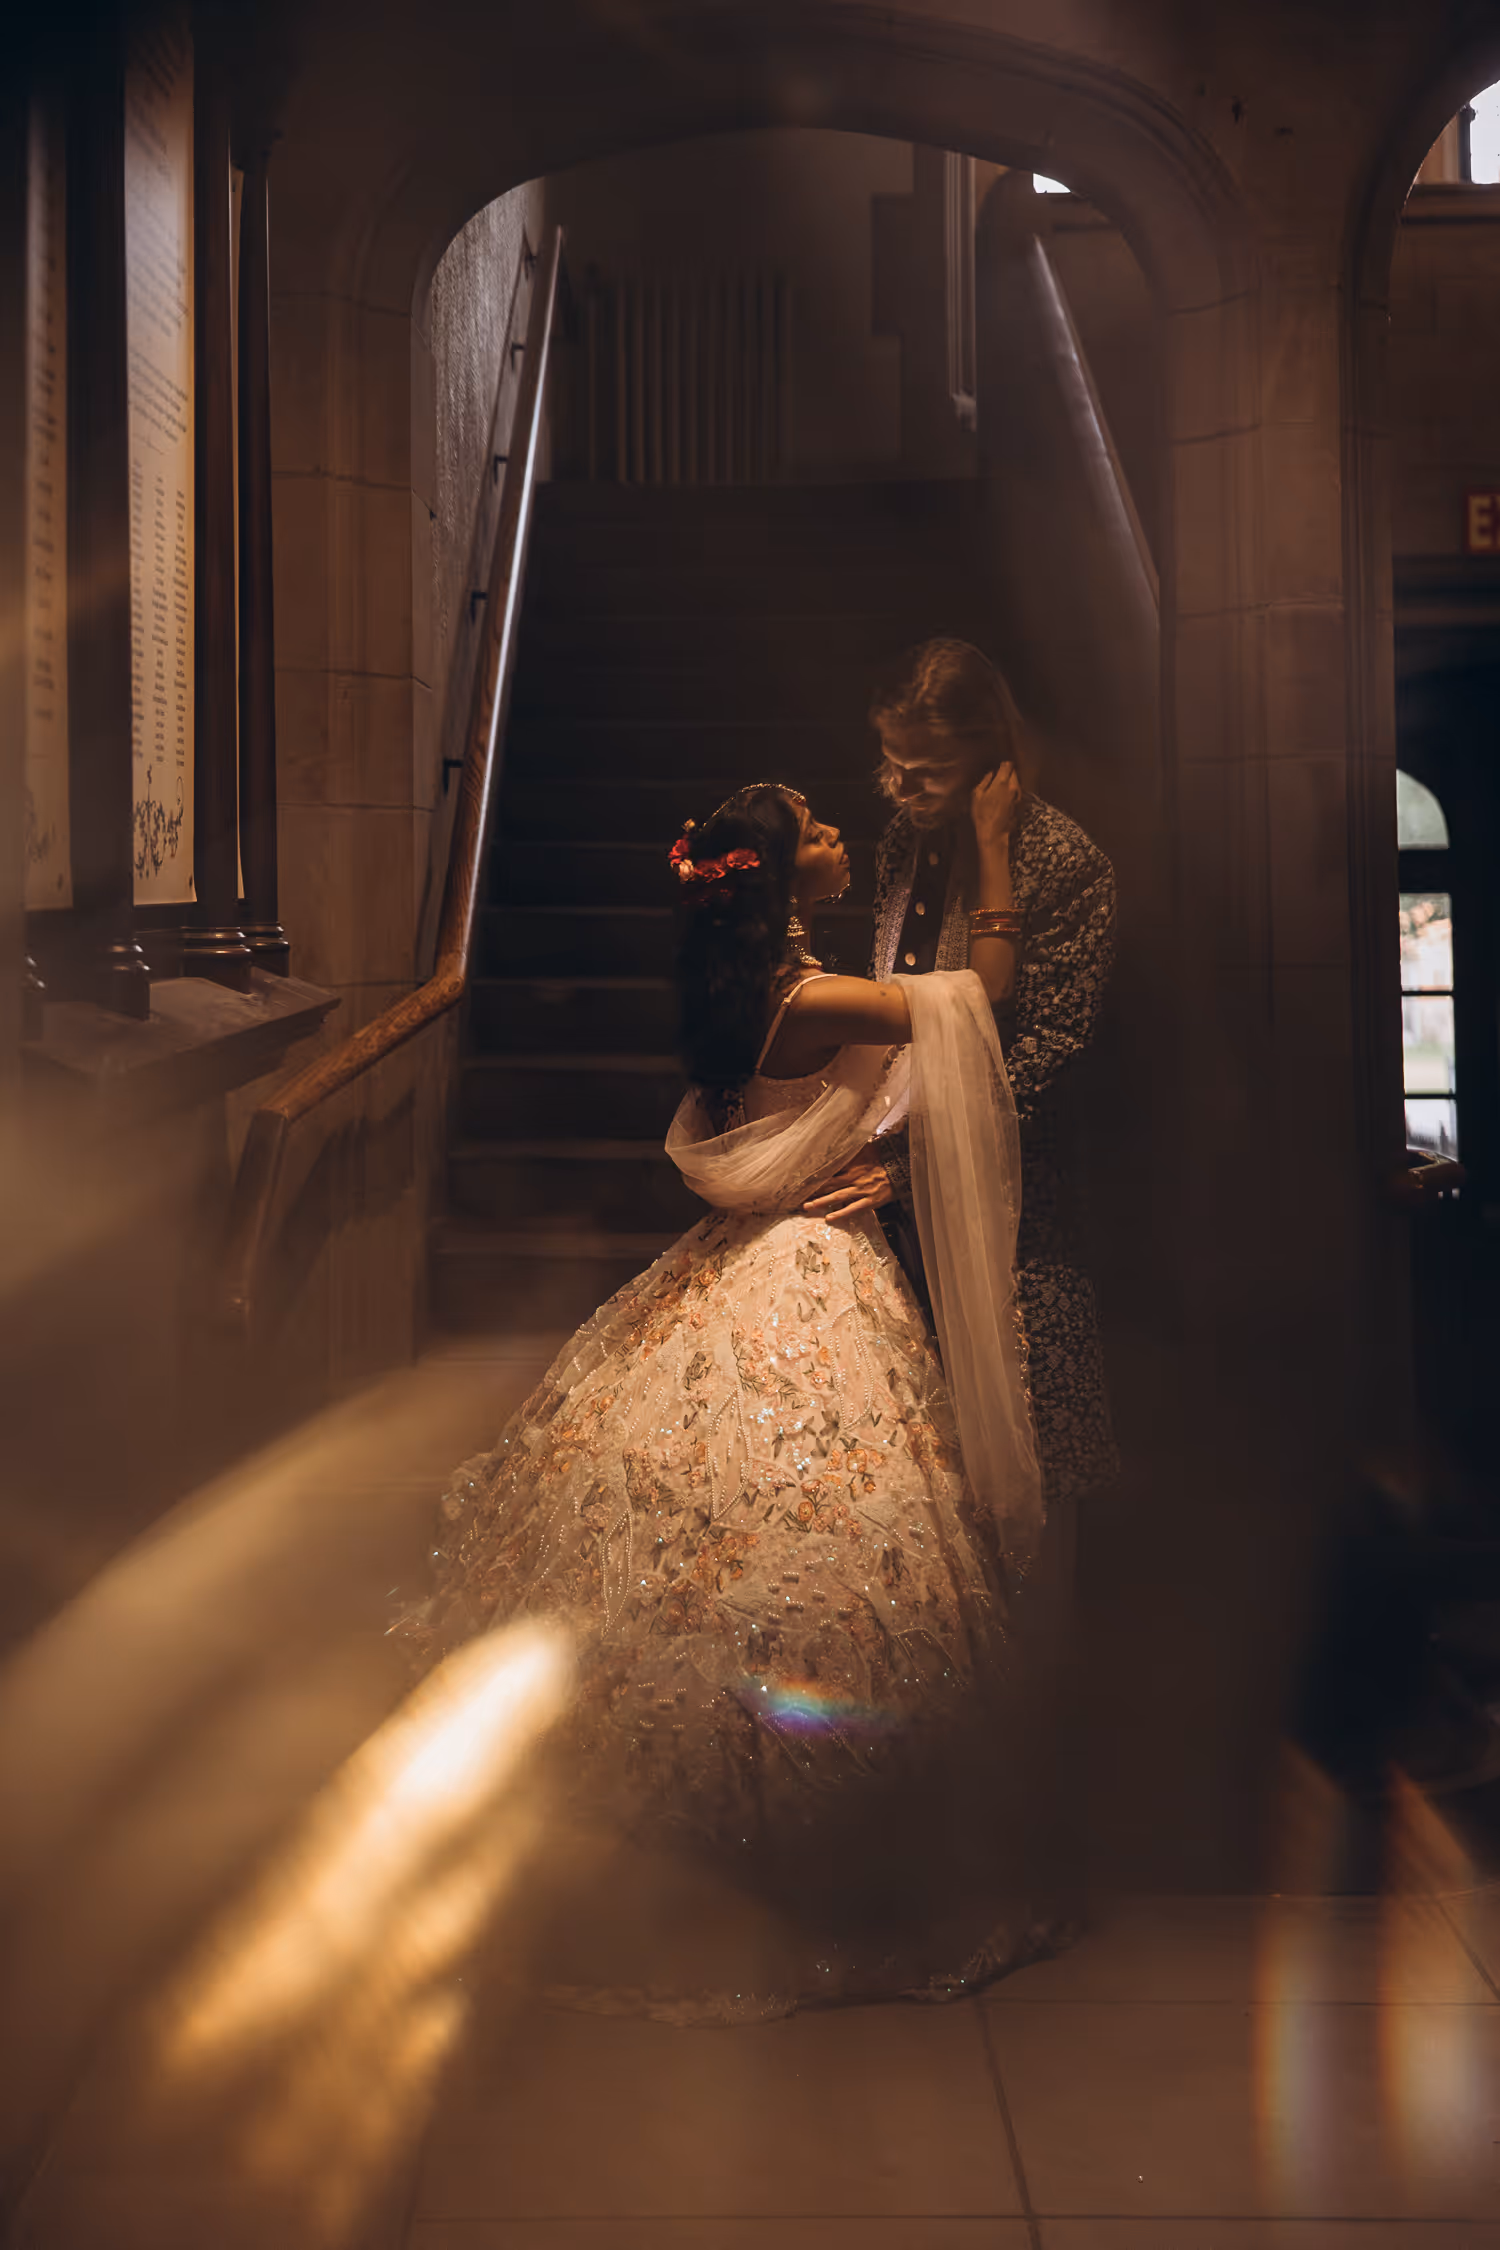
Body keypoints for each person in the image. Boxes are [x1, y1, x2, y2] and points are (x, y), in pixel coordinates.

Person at [397, 780, 1068, 2022]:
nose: (834, 840)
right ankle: (797, 1856)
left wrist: (870, 1158)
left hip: (753, 1258)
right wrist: (988, 850)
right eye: (813, 833)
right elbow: (986, 997)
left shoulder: (753, 990)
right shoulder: (806, 1000)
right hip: (801, 1275)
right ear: (772, 876)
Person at [810, 638, 1119, 1515]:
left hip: (1013, 1192)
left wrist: (913, 1162)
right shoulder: (905, 838)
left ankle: (1048, 1647)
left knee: (1025, 1444)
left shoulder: (1065, 860)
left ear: (993, 757)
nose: (901, 787)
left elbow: (1049, 1048)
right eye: (891, 761)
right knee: (913, 1460)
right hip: (897, 1172)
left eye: (928, 769)